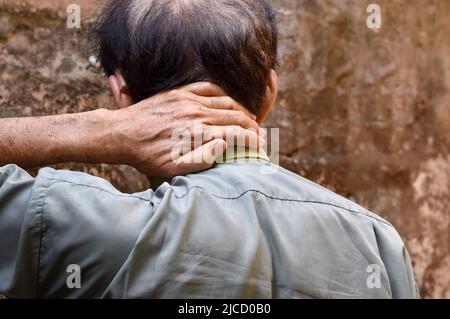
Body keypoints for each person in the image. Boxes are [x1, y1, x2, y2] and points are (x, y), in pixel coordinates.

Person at [0, 0, 418, 298]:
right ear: (270, 93)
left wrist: (97, 130)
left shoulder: (77, 226)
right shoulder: (378, 242)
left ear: (121, 94)